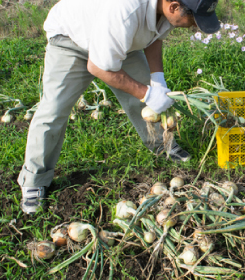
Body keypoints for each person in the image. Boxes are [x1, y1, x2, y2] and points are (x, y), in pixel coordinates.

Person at [18, 0, 221, 214]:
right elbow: (97, 67)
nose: (193, 26)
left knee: (140, 96)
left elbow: (154, 36)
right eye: (193, 20)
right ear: (173, 6)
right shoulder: (126, 11)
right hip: (73, 39)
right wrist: (147, 93)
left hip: (120, 40)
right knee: (54, 110)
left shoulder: (166, 9)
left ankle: (162, 145)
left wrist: (157, 80)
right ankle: (34, 180)